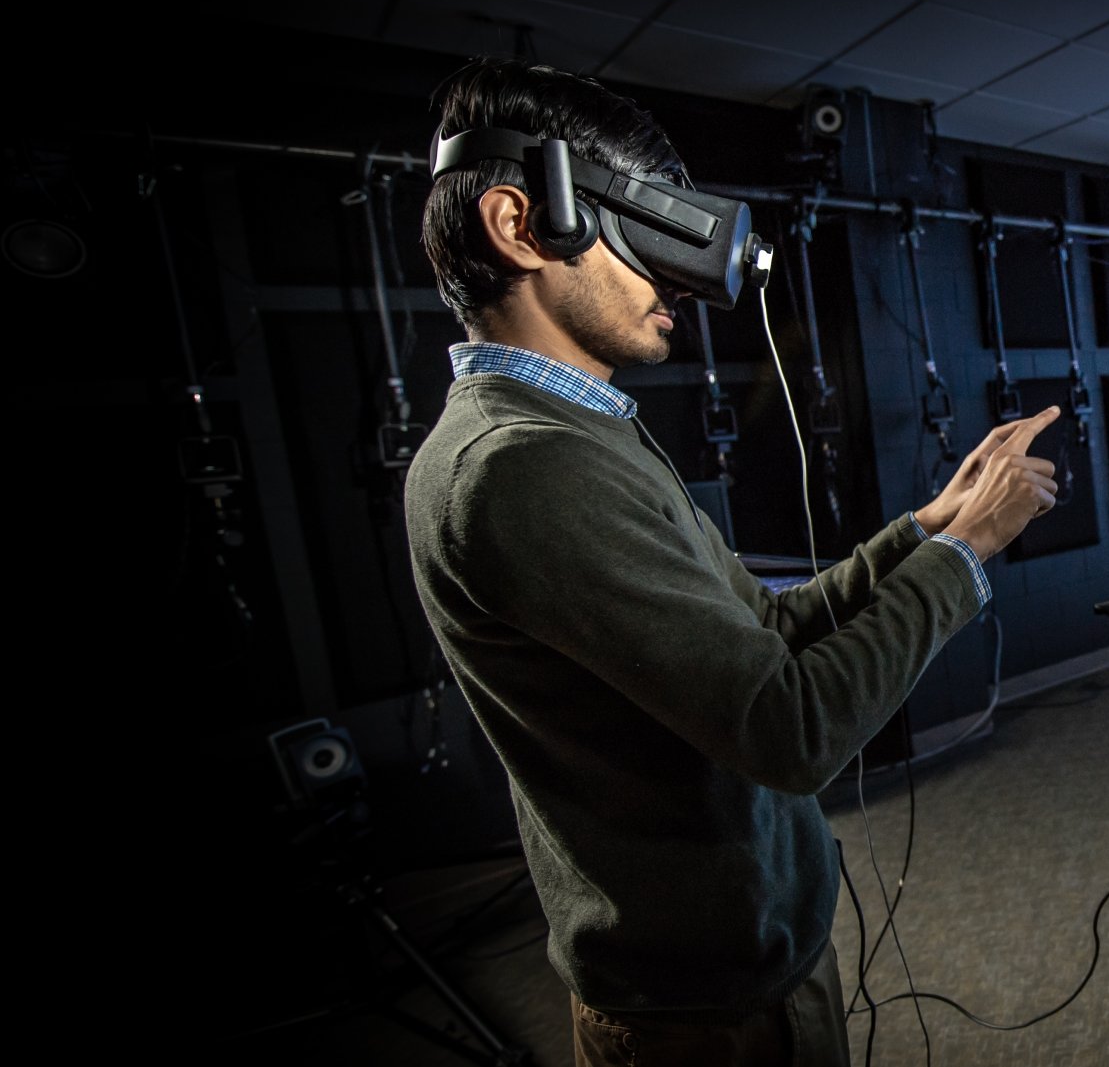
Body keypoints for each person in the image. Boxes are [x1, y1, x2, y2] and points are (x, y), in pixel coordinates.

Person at [404, 57, 1057, 1067]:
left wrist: (928, 527)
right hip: (702, 1014)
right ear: (520, 224)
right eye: (643, 237)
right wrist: (970, 554)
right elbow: (789, 728)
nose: (679, 280)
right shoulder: (520, 467)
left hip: (735, 970)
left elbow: (769, 629)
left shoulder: (576, 436)